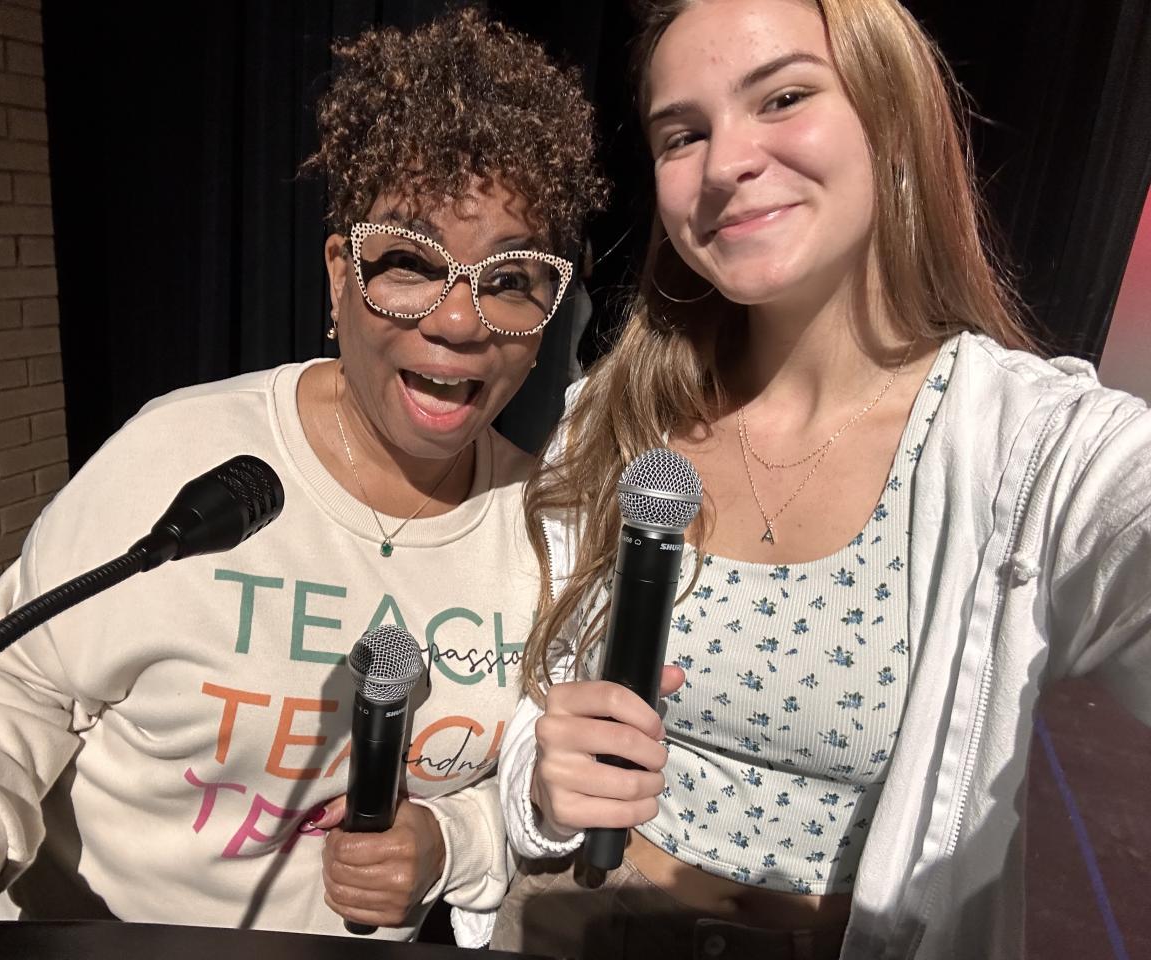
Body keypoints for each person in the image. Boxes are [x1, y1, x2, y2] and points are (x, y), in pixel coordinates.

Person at [0, 10, 607, 958]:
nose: (460, 321)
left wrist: (448, 842)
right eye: (410, 264)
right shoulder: (180, 454)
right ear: (340, 275)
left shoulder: (548, 531)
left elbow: (529, 786)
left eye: (510, 279)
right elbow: (19, 688)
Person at [489, 1, 1151, 958]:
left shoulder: (1033, 450)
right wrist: (546, 787)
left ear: (891, 115)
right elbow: (537, 694)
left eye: (783, 97)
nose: (725, 163)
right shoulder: (609, 417)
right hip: (572, 916)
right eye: (683, 134)